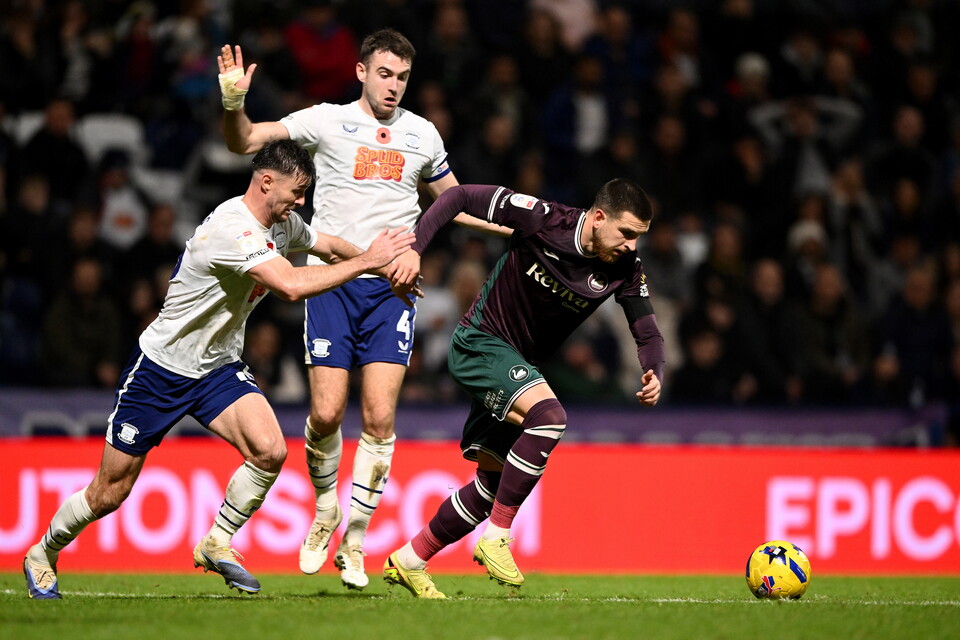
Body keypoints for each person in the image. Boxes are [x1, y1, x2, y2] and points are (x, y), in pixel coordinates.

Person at [21, 140, 416, 599]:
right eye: (297, 191)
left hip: (217, 368)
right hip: (162, 368)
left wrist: (385, 268)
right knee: (110, 490)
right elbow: (289, 285)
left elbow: (327, 245)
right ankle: (42, 553)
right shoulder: (234, 229)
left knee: (270, 450)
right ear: (266, 182)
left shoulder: (282, 223)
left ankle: (216, 541)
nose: (301, 201)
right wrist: (369, 260)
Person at [216, 29, 507, 590]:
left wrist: (518, 226)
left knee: (378, 418)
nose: (393, 86)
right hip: (332, 282)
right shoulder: (327, 121)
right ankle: (325, 508)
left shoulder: (422, 134)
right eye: (384, 74)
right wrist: (233, 104)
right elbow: (244, 141)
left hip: (391, 291)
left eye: (402, 77)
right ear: (361, 72)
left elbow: (455, 202)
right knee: (326, 414)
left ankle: (354, 541)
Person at [382, 179, 664, 598]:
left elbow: (648, 331)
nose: (631, 245)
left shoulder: (625, 267)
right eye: (626, 232)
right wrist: (414, 249)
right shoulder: (543, 219)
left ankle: (409, 559)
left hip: (517, 367)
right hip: (480, 343)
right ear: (599, 217)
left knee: (490, 487)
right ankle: (498, 536)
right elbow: (458, 197)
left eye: (638, 236)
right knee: (549, 418)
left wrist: (654, 369)